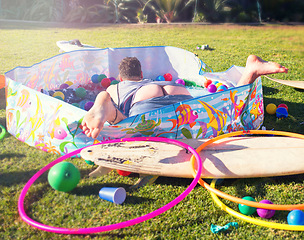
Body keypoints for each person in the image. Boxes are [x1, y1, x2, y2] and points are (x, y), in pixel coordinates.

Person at [81, 55, 288, 139]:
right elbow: (188, 89)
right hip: (165, 90)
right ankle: (249, 72)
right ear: (141, 74)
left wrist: (106, 95)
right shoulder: (149, 80)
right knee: (225, 105)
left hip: (133, 103)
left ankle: (105, 107)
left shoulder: (116, 88)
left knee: (126, 125)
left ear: (119, 77)